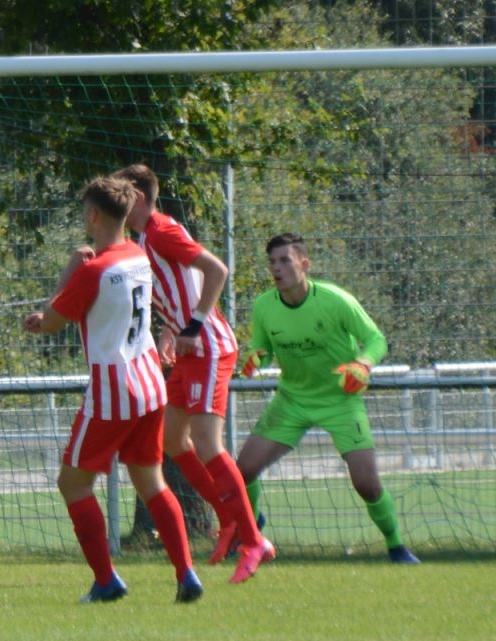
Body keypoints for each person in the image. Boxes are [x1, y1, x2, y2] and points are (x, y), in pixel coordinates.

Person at [22, 178, 207, 603]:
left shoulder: (92, 271)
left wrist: (69, 271)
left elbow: (51, 321)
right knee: (151, 482)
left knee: (72, 484)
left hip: (113, 390)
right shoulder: (138, 255)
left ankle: (106, 581)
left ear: (92, 216)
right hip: (150, 386)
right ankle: (186, 573)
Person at [111, 164, 270, 568]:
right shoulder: (143, 237)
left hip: (209, 348)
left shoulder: (162, 231)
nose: (116, 203)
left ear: (139, 198)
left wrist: (195, 324)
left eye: (121, 194)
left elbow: (217, 270)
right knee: (170, 439)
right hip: (188, 352)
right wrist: (171, 328)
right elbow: (181, 286)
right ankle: (229, 520)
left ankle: (253, 539)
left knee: (207, 443)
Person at [237, 233, 420, 564]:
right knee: (243, 470)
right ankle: (253, 532)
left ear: (304, 264)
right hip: (292, 401)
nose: (277, 268)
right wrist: (255, 359)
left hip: (340, 401)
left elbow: (376, 339)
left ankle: (397, 546)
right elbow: (262, 349)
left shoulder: (335, 300)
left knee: (367, 485)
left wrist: (363, 364)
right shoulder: (264, 306)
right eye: (272, 262)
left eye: (285, 260)